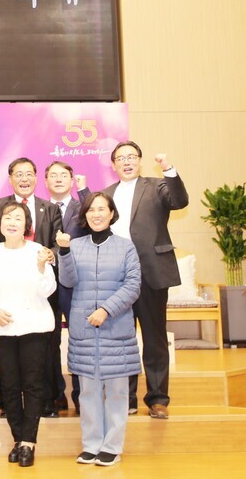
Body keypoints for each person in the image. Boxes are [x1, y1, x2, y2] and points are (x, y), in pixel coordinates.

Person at [102, 142, 188, 419]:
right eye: (120, 158)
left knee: (154, 338)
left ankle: (158, 398)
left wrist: (168, 170)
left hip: (150, 272)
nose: (126, 162)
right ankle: (125, 398)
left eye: (131, 157)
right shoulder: (105, 195)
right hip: (116, 277)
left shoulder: (157, 185)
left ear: (139, 161)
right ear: (113, 164)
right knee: (121, 340)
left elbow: (179, 201)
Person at [55, 192, 141, 467]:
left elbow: (133, 286)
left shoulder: (126, 247)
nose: (96, 214)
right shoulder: (75, 245)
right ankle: (91, 445)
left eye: (102, 209)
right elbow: (67, 281)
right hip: (84, 328)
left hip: (115, 327)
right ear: (85, 215)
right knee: (88, 392)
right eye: (91, 210)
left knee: (117, 391)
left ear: (112, 214)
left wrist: (106, 309)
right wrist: (64, 252)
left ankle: (112, 446)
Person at [0, 202, 57, 468]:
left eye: (18, 218)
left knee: (32, 385)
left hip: (34, 327)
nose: (12, 222)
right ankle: (19, 438)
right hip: (3, 328)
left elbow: (48, 290)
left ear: (26, 225)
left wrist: (42, 267)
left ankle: (29, 442)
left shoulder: (38, 252)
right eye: (8, 217)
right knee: (9, 385)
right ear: (0, 224)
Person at [0, 157, 62, 417]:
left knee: (47, 348)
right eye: (18, 174)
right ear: (10, 178)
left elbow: (58, 241)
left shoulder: (50, 207)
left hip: (41, 286)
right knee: (9, 361)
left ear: (37, 178)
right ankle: (9, 404)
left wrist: (49, 256)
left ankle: (48, 400)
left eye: (29, 174)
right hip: (5, 288)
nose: (24, 179)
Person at [44, 161, 89, 415]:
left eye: (64, 175)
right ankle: (55, 395)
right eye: (53, 175)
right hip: (48, 284)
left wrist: (85, 191)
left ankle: (82, 395)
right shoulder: (41, 208)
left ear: (72, 181)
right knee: (49, 342)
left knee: (79, 339)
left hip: (77, 284)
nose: (59, 179)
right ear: (46, 181)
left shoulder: (83, 206)